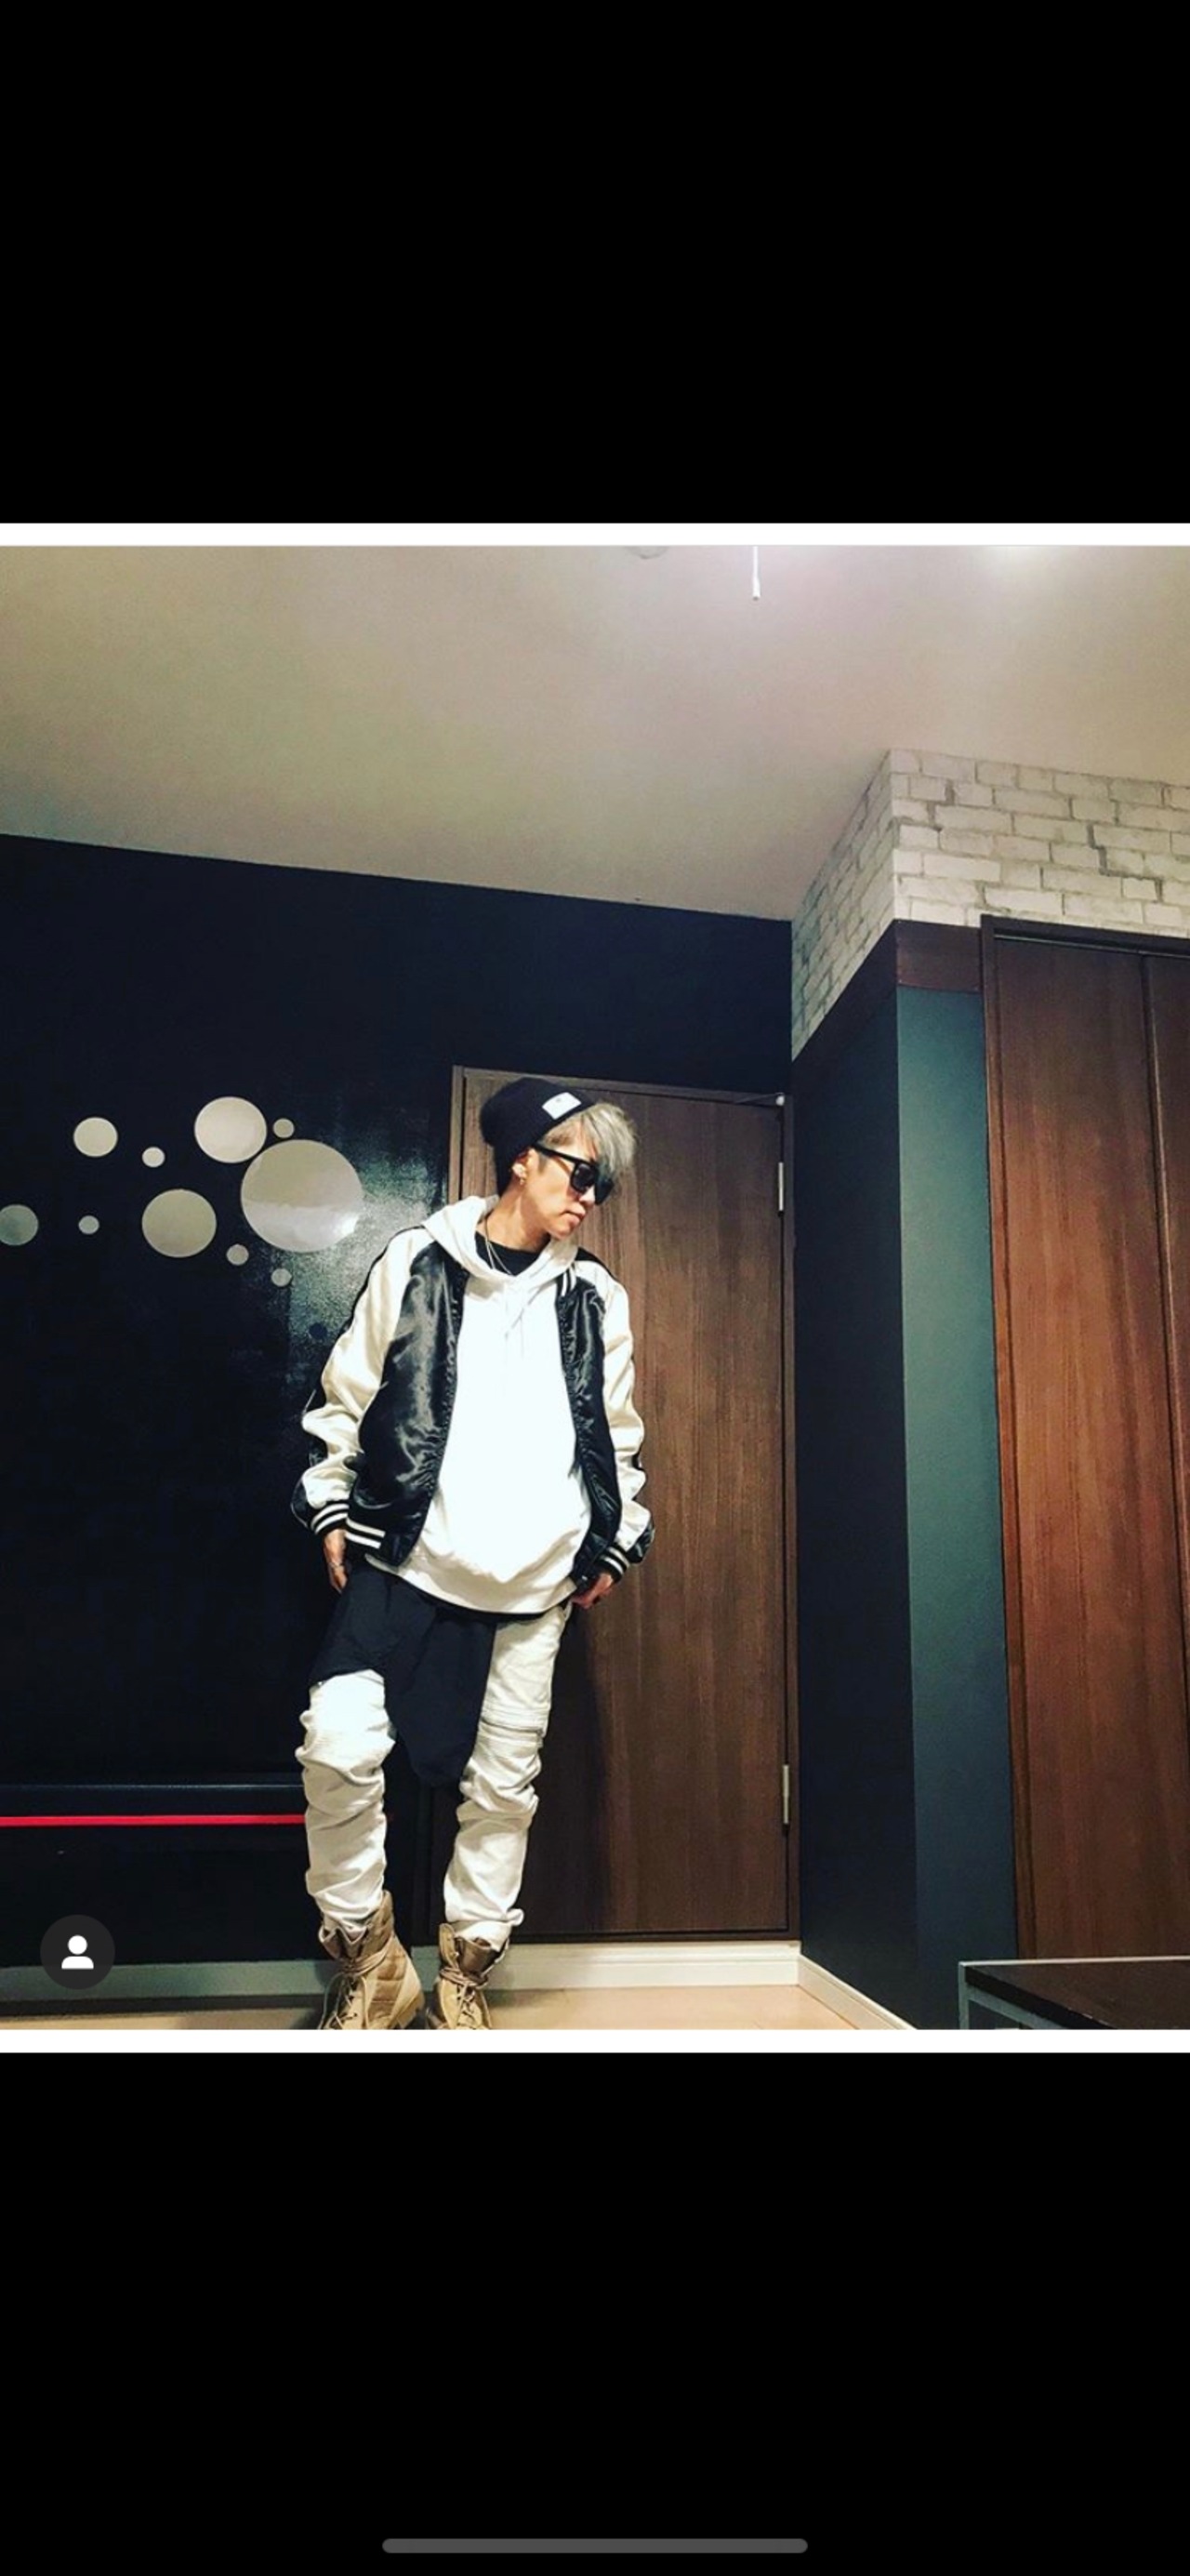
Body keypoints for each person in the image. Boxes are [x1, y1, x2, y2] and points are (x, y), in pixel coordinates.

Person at [290, 1077, 654, 2030]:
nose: (589, 1196)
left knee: (501, 1788)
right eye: (579, 1171)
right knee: (337, 1749)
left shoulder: (594, 1296)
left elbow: (616, 1436)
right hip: (403, 1561)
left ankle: (465, 1973)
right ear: (522, 1159)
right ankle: (370, 1961)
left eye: (602, 1185)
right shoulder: (416, 1260)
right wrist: (331, 1508)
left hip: (534, 1580)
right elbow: (344, 1397)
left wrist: (611, 1543)